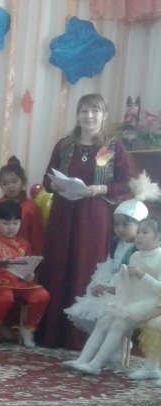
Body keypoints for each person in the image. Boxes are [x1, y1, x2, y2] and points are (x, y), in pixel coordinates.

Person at [41, 93, 133, 349]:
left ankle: (81, 338)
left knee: (86, 267)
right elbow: (47, 179)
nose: (89, 116)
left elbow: (126, 183)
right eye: (84, 111)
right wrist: (55, 185)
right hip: (63, 214)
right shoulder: (64, 145)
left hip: (94, 216)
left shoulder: (113, 147)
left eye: (95, 111)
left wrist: (100, 189)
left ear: (104, 116)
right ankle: (52, 334)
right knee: (59, 265)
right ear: (77, 115)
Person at [62, 217, 161, 376]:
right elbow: (129, 285)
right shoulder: (135, 256)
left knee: (118, 325)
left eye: (145, 232)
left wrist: (143, 276)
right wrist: (112, 288)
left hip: (151, 303)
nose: (139, 236)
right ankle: (82, 360)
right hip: (132, 299)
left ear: (159, 238)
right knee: (104, 320)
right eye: (138, 232)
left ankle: (95, 365)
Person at [63, 199, 146, 336]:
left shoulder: (140, 250)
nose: (120, 229)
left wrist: (108, 288)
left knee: (108, 318)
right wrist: (99, 285)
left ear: (141, 225)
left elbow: (129, 276)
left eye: (126, 224)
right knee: (95, 314)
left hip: (126, 293)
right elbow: (109, 267)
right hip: (110, 288)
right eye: (116, 224)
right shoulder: (117, 243)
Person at [0, 202, 50, 348]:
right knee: (5, 297)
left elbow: (28, 265)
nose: (11, 227)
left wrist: (30, 275)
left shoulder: (24, 243)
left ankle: (28, 328)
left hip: (21, 282)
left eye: (15, 223)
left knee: (42, 295)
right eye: (6, 223)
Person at [0, 156, 44, 255]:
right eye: (5, 183)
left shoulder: (32, 208)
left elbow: (37, 238)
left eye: (14, 181)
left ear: (23, 181)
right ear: (1, 185)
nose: (10, 186)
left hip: (24, 255)